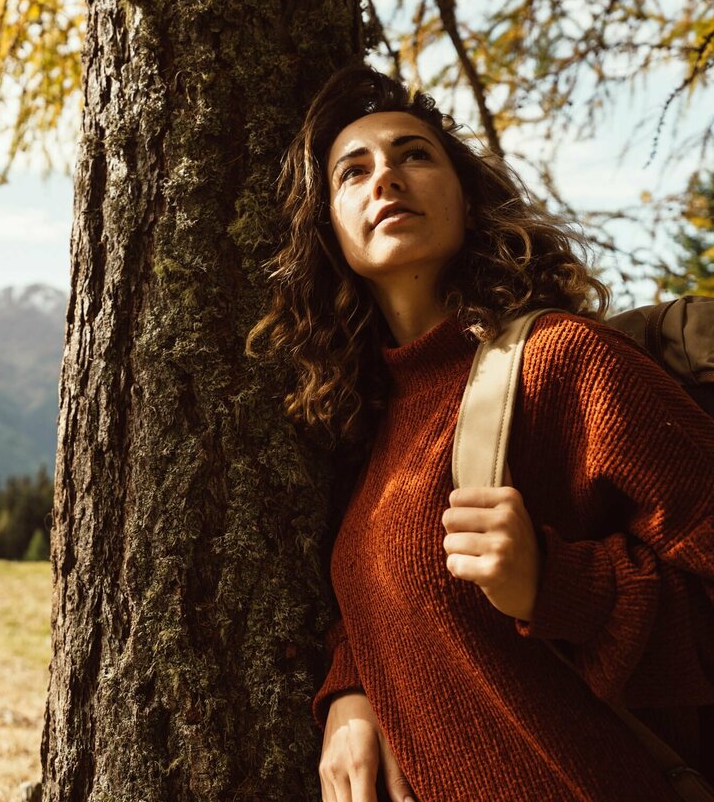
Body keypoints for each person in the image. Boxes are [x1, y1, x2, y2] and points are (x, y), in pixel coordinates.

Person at [245, 62, 714, 801]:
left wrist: (558, 585)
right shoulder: (367, 426)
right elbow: (397, 604)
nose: (387, 178)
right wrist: (349, 692)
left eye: (415, 154)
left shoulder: (565, 363)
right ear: (330, 234)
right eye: (353, 171)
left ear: (468, 198)